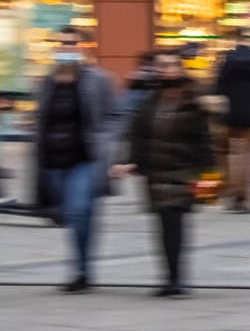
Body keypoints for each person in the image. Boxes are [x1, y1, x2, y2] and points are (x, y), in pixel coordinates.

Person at [118, 49, 214, 297]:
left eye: (172, 65)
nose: (167, 69)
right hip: (155, 174)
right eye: (162, 65)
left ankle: (175, 278)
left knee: (174, 224)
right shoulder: (150, 99)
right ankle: (169, 277)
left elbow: (204, 140)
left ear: (181, 69)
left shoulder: (192, 99)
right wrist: (130, 162)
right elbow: (137, 134)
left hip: (183, 173)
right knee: (162, 227)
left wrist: (209, 177)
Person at [33, 27, 117, 292]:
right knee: (73, 215)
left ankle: (81, 271)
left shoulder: (98, 80)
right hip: (53, 159)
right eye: (61, 44)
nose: (66, 48)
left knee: (79, 209)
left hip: (84, 157)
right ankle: (82, 267)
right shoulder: (46, 82)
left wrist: (106, 144)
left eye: (71, 44)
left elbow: (112, 116)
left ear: (83, 48)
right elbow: (41, 119)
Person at [214, 36, 250, 213]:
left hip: (229, 116)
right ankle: (246, 198)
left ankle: (231, 189)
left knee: (228, 154)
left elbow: (219, 88)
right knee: (248, 158)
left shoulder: (227, 62)